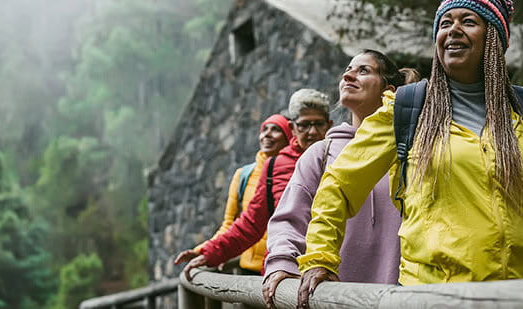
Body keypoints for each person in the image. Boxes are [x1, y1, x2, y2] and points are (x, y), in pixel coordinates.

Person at [297, 0, 523, 307]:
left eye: (468, 21)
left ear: (494, 38)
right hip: (431, 298)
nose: (453, 30)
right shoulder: (407, 108)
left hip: (516, 297)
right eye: (444, 24)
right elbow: (339, 185)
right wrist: (320, 257)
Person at [262, 50, 419, 308]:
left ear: (388, 90)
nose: (348, 75)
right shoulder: (321, 154)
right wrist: (282, 263)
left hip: (401, 298)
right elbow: (289, 220)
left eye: (363, 70)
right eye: (348, 69)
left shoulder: (409, 149)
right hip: (331, 297)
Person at [183, 88, 333, 280]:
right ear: (292, 128)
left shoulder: (339, 159)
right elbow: (251, 224)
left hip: (330, 268)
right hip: (285, 271)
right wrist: (209, 253)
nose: (312, 132)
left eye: (318, 124)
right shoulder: (274, 166)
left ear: (329, 125)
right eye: (304, 125)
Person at [173, 114, 292, 274]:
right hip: (248, 271)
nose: (267, 134)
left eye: (276, 129)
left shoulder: (297, 171)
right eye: (264, 129)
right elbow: (230, 224)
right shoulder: (243, 175)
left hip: (281, 269)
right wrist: (204, 251)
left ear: (289, 135)